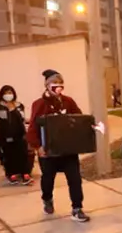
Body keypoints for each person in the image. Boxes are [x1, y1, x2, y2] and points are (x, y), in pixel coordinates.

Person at [27, 70, 89, 222]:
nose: (58, 87)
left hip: (68, 150)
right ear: (47, 85)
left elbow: (78, 119)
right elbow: (33, 127)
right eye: (54, 84)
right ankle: (47, 199)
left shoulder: (68, 101)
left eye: (61, 84)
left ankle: (77, 207)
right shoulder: (39, 104)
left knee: (75, 179)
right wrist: (38, 147)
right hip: (48, 151)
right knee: (48, 179)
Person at [0, 84, 32, 185]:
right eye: (6, 93)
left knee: (23, 155)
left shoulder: (19, 105)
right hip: (4, 136)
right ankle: (11, 174)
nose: (8, 95)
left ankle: (25, 173)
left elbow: (22, 119)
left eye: (10, 93)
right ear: (2, 94)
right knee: (8, 156)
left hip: (20, 135)